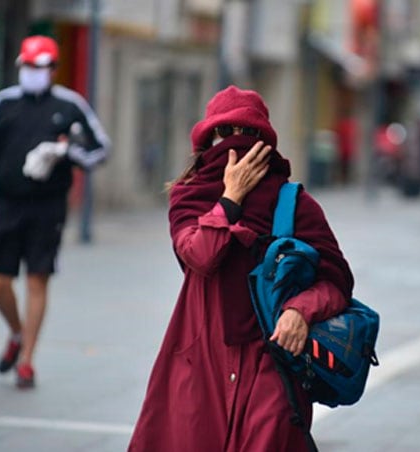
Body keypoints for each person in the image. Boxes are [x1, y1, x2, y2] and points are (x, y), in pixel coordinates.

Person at [128, 86, 354, 451]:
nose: (236, 144)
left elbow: (337, 280)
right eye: (225, 134)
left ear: (265, 144)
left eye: (249, 135)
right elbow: (201, 256)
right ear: (209, 141)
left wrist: (301, 310)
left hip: (273, 359)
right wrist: (230, 201)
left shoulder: (293, 204)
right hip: (202, 360)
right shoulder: (190, 196)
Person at [0, 35, 111, 389]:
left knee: (37, 278)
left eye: (39, 67)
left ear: (53, 69)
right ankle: (16, 331)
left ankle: (26, 359)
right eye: (27, 66)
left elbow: (100, 149)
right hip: (7, 202)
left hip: (48, 206)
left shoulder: (71, 105)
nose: (32, 72)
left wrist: (66, 152)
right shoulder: (4, 103)